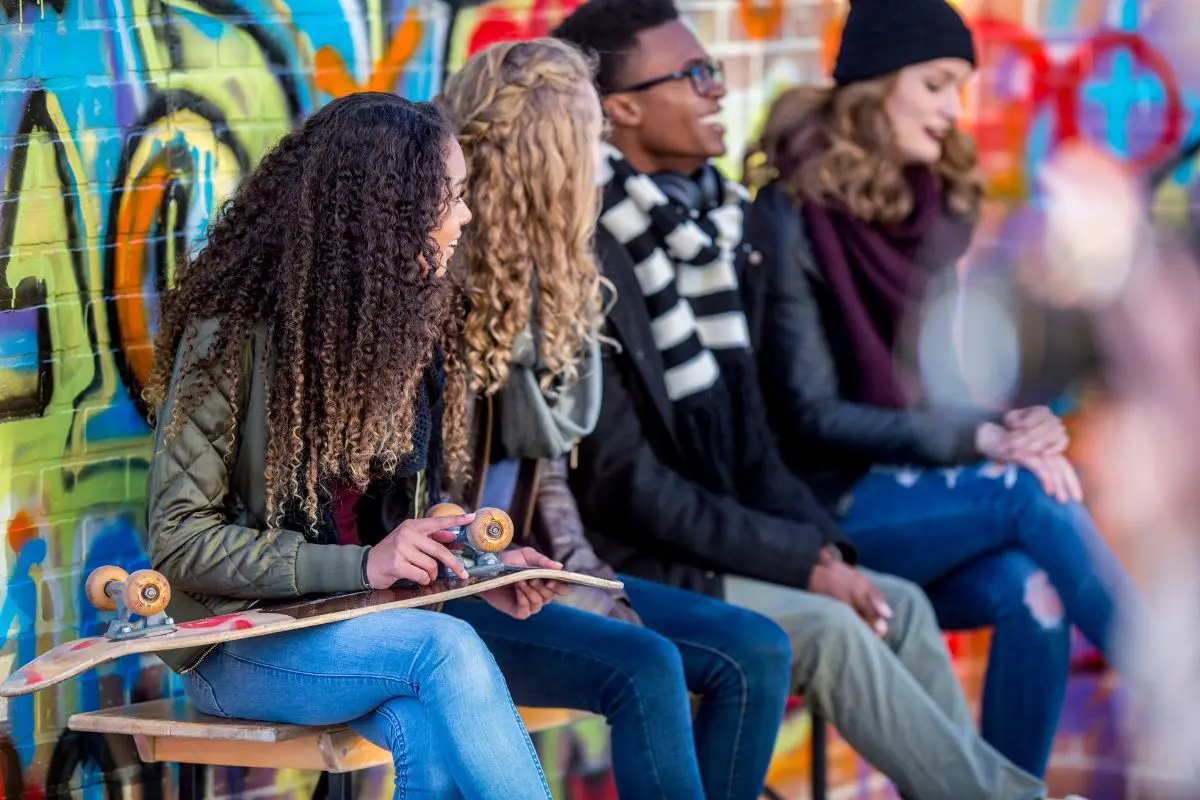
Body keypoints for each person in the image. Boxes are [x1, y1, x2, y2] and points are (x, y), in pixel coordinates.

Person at [551, 2, 1051, 798]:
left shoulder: (715, 228)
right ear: (624, 109)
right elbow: (626, 486)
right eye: (696, 75)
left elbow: (753, 446)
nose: (718, 91)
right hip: (639, 563)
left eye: (714, 71)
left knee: (900, 606)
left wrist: (824, 555)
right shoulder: (589, 254)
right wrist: (805, 568)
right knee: (834, 626)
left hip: (722, 541)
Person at [743, 0, 1142, 778]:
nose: (953, 110)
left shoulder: (932, 205)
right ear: (876, 83)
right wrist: (985, 443)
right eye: (935, 84)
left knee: (1034, 592)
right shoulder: (788, 215)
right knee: (1025, 494)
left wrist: (1012, 425)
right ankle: (1170, 685)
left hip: (914, 490)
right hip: (818, 506)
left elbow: (938, 391)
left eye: (960, 86)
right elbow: (812, 415)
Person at [142, 92, 556, 799]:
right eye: (449, 197)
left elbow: (386, 538)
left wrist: (474, 565)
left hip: (356, 626)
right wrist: (364, 562)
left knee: (424, 727)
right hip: (234, 643)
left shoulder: (400, 330)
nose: (465, 217)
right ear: (381, 213)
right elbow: (179, 541)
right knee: (444, 651)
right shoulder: (230, 336)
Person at [434, 38, 793, 800]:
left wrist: (590, 580)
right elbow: (424, 491)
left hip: (537, 565)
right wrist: (559, 583)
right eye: (589, 139)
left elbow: (546, 473)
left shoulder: (557, 273)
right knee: (648, 665)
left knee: (754, 652)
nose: (602, 160)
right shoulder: (446, 283)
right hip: (460, 585)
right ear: (548, 156)